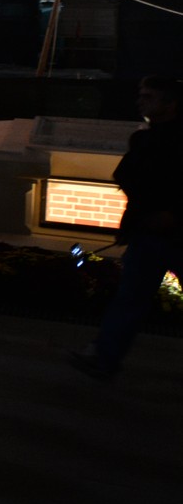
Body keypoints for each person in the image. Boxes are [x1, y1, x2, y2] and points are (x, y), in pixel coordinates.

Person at [72, 76, 183, 379]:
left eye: (149, 96)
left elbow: (127, 175)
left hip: (162, 232)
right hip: (151, 231)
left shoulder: (148, 141)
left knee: (130, 299)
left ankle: (104, 357)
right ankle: (104, 357)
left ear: (170, 103)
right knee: (130, 299)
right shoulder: (146, 139)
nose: (140, 101)